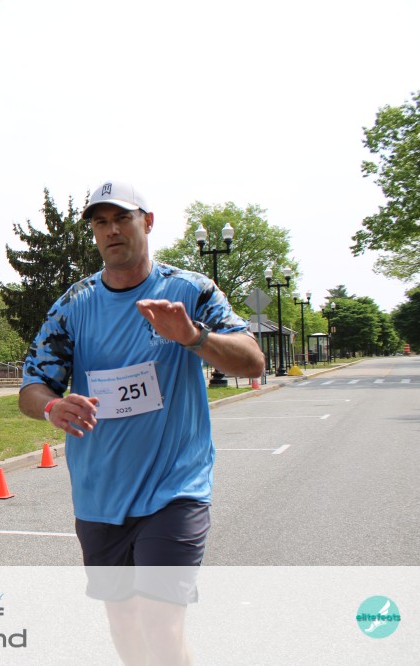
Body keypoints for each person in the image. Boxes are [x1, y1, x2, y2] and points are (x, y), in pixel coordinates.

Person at [18, 181, 263, 665]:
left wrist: (193, 336)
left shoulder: (189, 292)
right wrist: (52, 407)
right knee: (125, 623)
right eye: (100, 222)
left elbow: (252, 360)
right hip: (100, 494)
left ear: (147, 222)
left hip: (175, 489)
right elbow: (31, 387)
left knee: (161, 624)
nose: (111, 231)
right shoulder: (74, 304)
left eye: (122, 219)